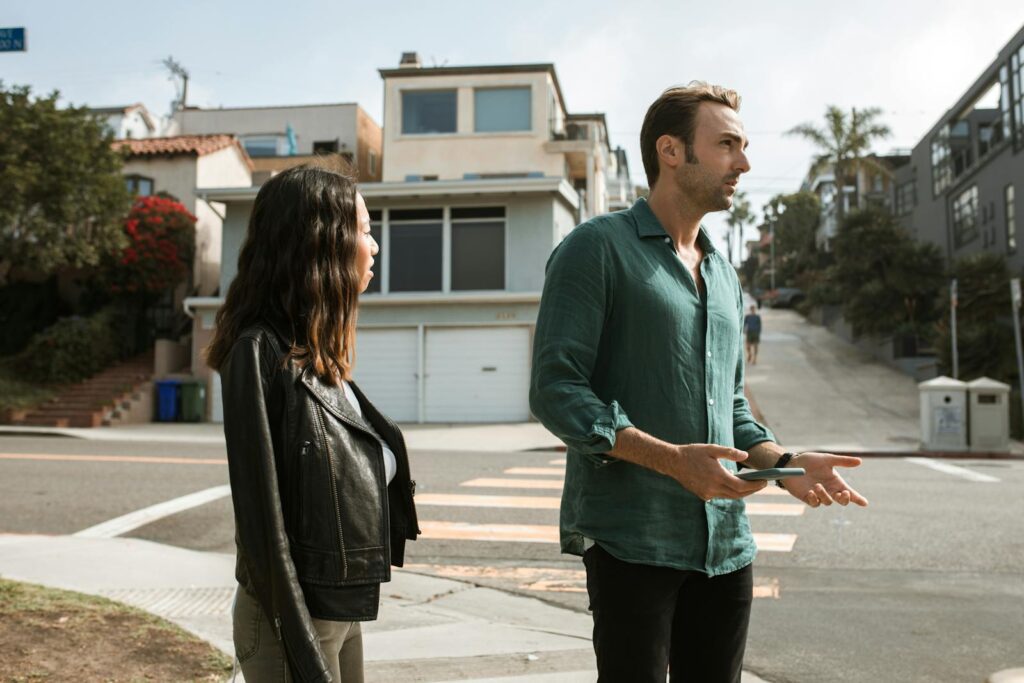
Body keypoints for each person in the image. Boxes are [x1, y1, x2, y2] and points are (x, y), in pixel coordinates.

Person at [529, 83, 868, 683]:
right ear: (672, 151)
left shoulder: (724, 273)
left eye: (743, 146)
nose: (743, 163)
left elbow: (731, 405)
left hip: (726, 548)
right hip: (633, 539)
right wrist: (670, 461)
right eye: (728, 145)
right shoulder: (597, 249)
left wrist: (784, 464)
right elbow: (556, 388)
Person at [206, 165, 419, 683]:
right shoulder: (260, 353)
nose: (374, 246)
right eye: (366, 230)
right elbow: (263, 529)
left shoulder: (319, 362)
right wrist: (301, 646)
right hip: (294, 620)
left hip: (339, 610)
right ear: (325, 241)